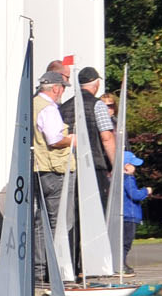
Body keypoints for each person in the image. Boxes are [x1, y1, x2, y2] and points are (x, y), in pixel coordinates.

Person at [31, 72, 76, 282]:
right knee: (59, 222)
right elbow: (55, 139)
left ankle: (39, 271)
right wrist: (73, 139)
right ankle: (56, 272)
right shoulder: (48, 109)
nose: (63, 92)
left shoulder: (32, 105)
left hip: (39, 169)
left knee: (42, 221)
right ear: (56, 88)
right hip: (55, 170)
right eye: (63, 88)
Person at [64, 66, 117, 200]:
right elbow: (107, 137)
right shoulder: (98, 105)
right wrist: (116, 164)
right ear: (97, 84)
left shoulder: (63, 107)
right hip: (94, 164)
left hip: (69, 166)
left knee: (74, 209)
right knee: (96, 207)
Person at [121, 153, 150, 267]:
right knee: (126, 242)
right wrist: (146, 191)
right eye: (134, 165)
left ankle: (120, 264)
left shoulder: (116, 179)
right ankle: (121, 265)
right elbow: (135, 195)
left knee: (122, 241)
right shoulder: (128, 179)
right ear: (126, 166)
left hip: (124, 215)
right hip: (129, 215)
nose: (135, 168)